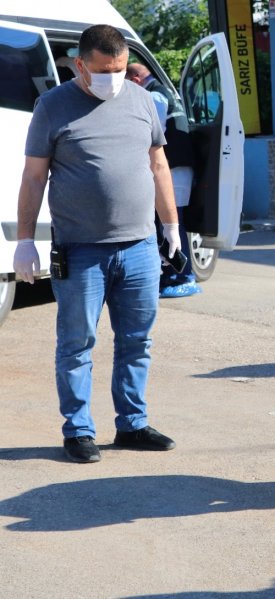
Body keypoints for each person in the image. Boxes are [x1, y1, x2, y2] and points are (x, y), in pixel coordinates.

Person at [13, 25, 179, 463]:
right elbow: (33, 177)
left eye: (121, 69)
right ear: (80, 64)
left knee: (136, 341)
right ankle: (79, 430)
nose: (113, 78)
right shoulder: (53, 106)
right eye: (104, 70)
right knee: (76, 344)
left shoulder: (143, 100)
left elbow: (158, 165)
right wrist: (25, 240)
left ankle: (133, 425)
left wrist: (171, 225)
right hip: (81, 250)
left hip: (140, 247)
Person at [126, 62, 201, 298]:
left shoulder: (155, 96)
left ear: (136, 80)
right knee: (168, 222)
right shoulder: (161, 92)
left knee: (171, 222)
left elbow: (150, 132)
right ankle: (174, 274)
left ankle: (182, 276)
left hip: (173, 168)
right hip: (176, 167)